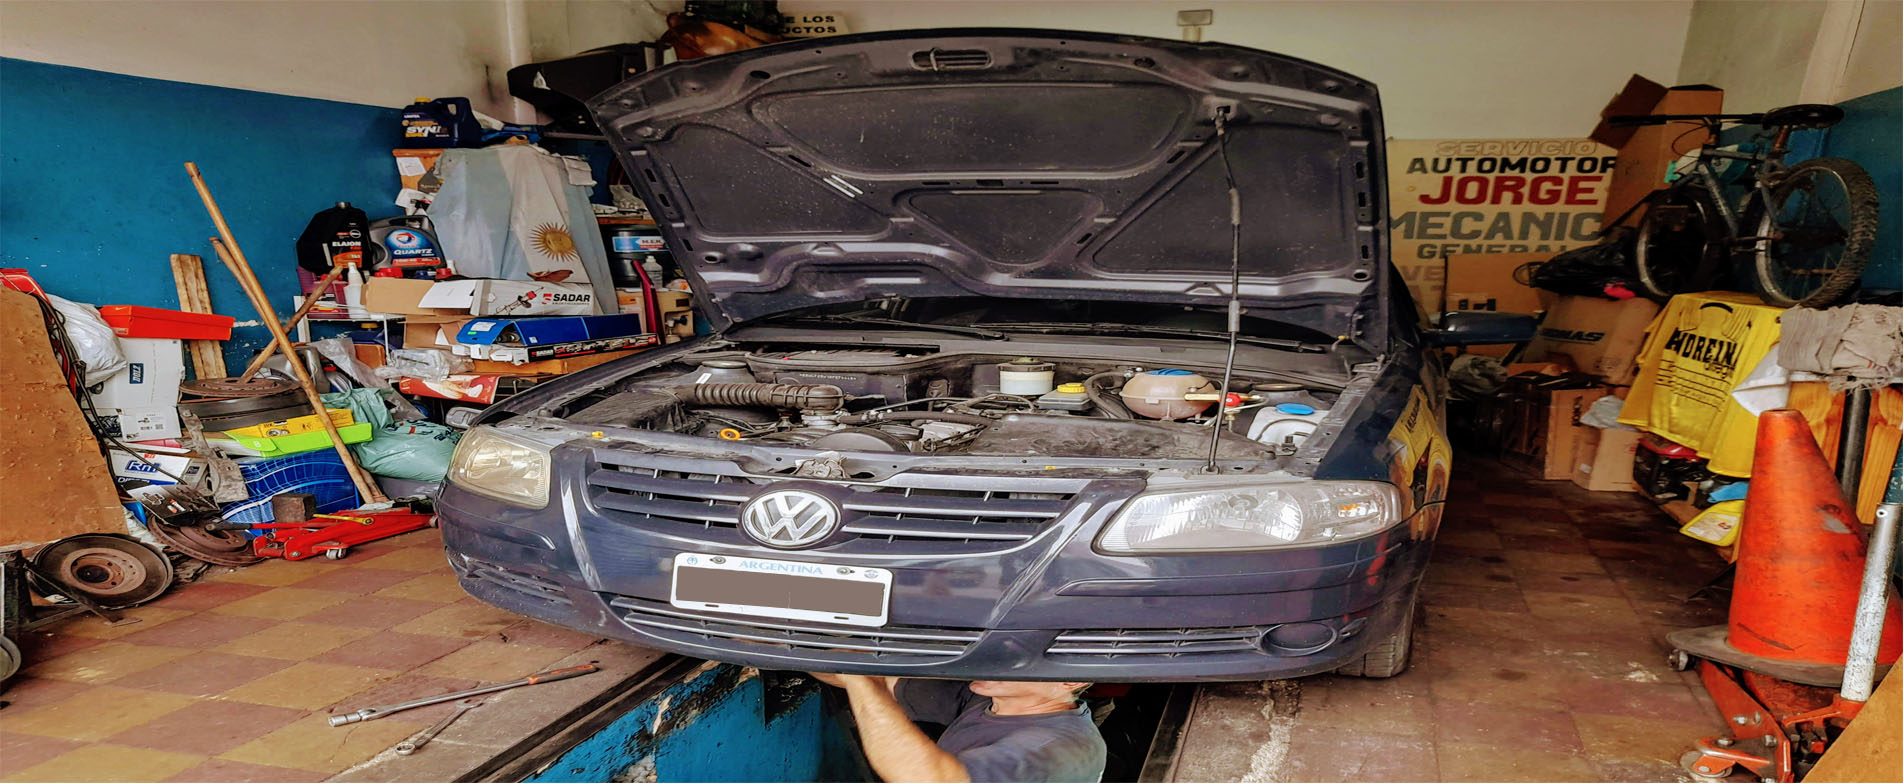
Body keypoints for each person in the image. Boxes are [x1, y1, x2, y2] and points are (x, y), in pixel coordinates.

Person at [809, 674, 1106, 783]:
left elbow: (926, 779)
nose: (992, 661)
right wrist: (779, 644)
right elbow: (882, 682)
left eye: (1018, 660)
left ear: (1069, 681)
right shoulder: (991, 697)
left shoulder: (1060, 750)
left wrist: (859, 680)